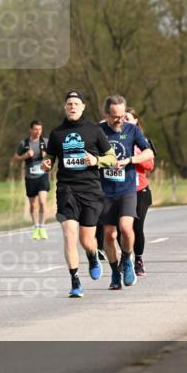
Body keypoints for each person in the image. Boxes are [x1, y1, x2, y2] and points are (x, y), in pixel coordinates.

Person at [41, 91, 117, 299]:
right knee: (69, 234)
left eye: (76, 103)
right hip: (66, 190)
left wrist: (96, 161)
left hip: (90, 190)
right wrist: (46, 164)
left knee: (86, 240)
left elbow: (111, 157)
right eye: (69, 104)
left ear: (83, 107)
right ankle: (75, 281)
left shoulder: (94, 130)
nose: (72, 107)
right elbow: (49, 159)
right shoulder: (57, 133)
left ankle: (92, 255)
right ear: (65, 107)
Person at [97, 96, 153, 290]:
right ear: (106, 114)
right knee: (109, 235)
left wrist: (129, 160)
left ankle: (127, 259)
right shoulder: (98, 131)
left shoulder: (132, 130)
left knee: (126, 228)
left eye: (122, 116)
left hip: (127, 188)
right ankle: (114, 272)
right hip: (105, 191)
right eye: (115, 117)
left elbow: (149, 153)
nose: (120, 120)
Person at [125, 109, 155, 277]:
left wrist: (134, 156)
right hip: (120, 189)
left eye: (128, 118)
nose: (125, 121)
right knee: (123, 228)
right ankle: (125, 258)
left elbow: (150, 165)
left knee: (137, 227)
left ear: (136, 121)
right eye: (122, 118)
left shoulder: (141, 141)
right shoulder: (114, 139)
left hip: (140, 190)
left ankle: (138, 259)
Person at [14, 121, 50, 240]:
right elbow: (16, 158)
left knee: (42, 202)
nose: (38, 132)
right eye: (35, 129)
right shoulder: (24, 143)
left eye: (40, 129)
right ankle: (36, 227)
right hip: (30, 177)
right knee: (33, 204)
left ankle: (42, 227)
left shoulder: (45, 142)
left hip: (42, 175)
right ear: (31, 130)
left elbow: (54, 155)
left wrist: (47, 156)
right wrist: (25, 156)